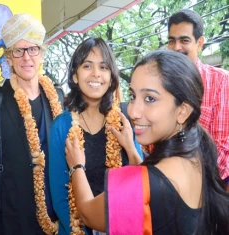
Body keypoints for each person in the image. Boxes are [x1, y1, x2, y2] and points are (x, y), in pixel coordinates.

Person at [65, 50, 229, 234]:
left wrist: (76, 166)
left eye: (150, 99)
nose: (134, 112)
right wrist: (130, 148)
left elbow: (88, 213)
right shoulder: (198, 154)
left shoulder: (140, 183)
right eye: (133, 96)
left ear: (182, 110)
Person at [0, 14, 64, 235]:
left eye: (33, 49)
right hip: (11, 220)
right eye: (18, 51)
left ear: (42, 54)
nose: (26, 58)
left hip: (55, 218)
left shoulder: (56, 97)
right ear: (8, 58)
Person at [49, 37, 142, 235]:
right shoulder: (61, 126)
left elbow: (141, 182)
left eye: (103, 67)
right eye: (87, 66)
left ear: (111, 77)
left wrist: (130, 147)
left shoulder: (123, 122)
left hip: (122, 226)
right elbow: (59, 197)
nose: (96, 74)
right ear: (75, 75)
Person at [167, 9, 229, 190]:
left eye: (184, 40)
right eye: (172, 41)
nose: (177, 47)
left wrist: (187, 185)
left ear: (199, 43)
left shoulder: (220, 81)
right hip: (167, 186)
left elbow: (222, 149)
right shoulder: (161, 83)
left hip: (209, 188)